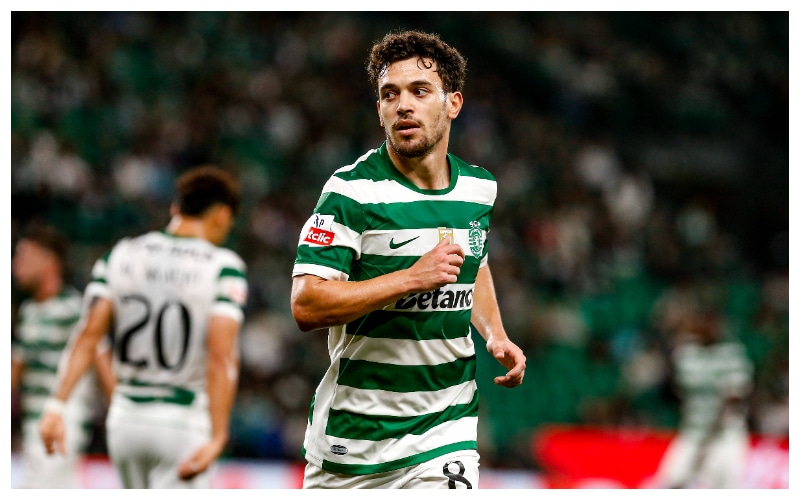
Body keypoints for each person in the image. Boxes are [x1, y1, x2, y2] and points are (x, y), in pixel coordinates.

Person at [290, 29, 526, 489]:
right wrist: (408, 279)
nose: (403, 105)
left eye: (420, 91)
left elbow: (473, 261)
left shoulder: (479, 188)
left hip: (444, 433)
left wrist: (495, 333)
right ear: (379, 109)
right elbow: (307, 304)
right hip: (353, 445)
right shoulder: (351, 192)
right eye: (389, 94)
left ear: (453, 103)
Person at [39, 165, 249, 488]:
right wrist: (219, 434)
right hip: (181, 421)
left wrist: (57, 405)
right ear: (222, 215)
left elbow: (88, 335)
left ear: (175, 208)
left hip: (125, 421)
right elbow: (221, 357)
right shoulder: (223, 268)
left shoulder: (121, 255)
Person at [11, 223, 115, 488]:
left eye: (24, 256)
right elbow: (14, 373)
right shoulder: (29, 312)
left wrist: (122, 416)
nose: (15, 264)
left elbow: (103, 364)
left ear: (49, 261)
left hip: (61, 426)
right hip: (34, 427)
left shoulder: (74, 310)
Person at [653, 304, 754, 488]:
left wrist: (710, 436)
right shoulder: (685, 354)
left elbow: (734, 400)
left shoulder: (732, 354)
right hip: (692, 431)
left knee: (725, 486)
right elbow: (674, 390)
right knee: (669, 481)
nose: (704, 327)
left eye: (710, 323)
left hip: (725, 434)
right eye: (700, 323)